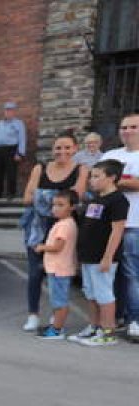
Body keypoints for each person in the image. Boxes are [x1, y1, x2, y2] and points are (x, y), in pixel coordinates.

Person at [20, 132, 86, 331]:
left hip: (64, 229)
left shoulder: (81, 169)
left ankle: (56, 316)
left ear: (75, 149)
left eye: (67, 147)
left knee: (59, 274)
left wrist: (42, 196)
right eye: (58, 147)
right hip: (38, 229)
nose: (62, 151)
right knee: (34, 273)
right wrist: (58, 199)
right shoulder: (40, 168)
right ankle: (33, 314)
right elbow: (27, 198)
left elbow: (78, 196)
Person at [68, 159, 128, 347]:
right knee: (91, 293)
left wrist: (108, 257)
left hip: (103, 257)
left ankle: (108, 332)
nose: (91, 180)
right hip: (89, 255)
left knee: (104, 294)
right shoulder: (96, 199)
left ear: (112, 178)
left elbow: (117, 230)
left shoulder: (118, 200)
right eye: (91, 176)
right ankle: (94, 326)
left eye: (96, 176)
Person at [100, 111, 139, 340]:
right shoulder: (111, 154)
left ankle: (135, 320)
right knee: (113, 274)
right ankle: (118, 315)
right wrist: (127, 181)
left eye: (133, 127)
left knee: (133, 274)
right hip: (109, 223)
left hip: (135, 224)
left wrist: (115, 181)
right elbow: (98, 181)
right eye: (124, 127)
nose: (127, 131)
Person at [34, 190, 79, 339]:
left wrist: (41, 247)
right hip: (58, 268)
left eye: (61, 205)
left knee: (59, 301)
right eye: (54, 205)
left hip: (59, 269)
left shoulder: (64, 226)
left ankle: (57, 330)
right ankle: (55, 325)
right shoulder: (64, 223)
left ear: (72, 207)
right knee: (57, 299)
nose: (55, 208)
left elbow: (57, 247)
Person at [0, 101, 26, 198]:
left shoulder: (19, 123)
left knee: (11, 172)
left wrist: (20, 153)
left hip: (11, 149)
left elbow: (22, 138)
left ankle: (11, 193)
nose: (8, 112)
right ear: (4, 112)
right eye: (6, 110)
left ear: (14, 112)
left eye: (10, 110)